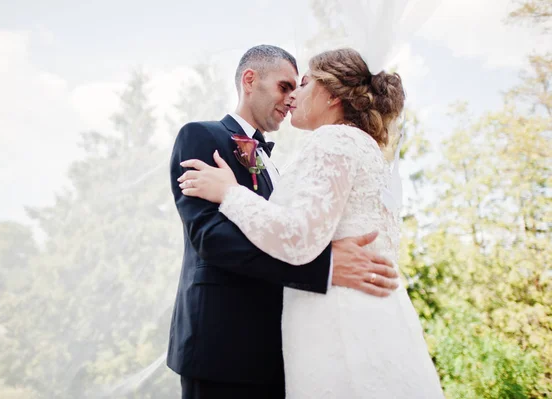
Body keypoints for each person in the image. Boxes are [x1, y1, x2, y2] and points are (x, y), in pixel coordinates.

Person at [178, 47, 445, 398]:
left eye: (301, 85)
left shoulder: (328, 145)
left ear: (332, 95)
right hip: (226, 346)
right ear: (249, 80)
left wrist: (231, 193)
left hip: (307, 338)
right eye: (285, 86)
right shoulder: (202, 136)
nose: (292, 98)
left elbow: (295, 232)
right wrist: (326, 267)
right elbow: (211, 238)